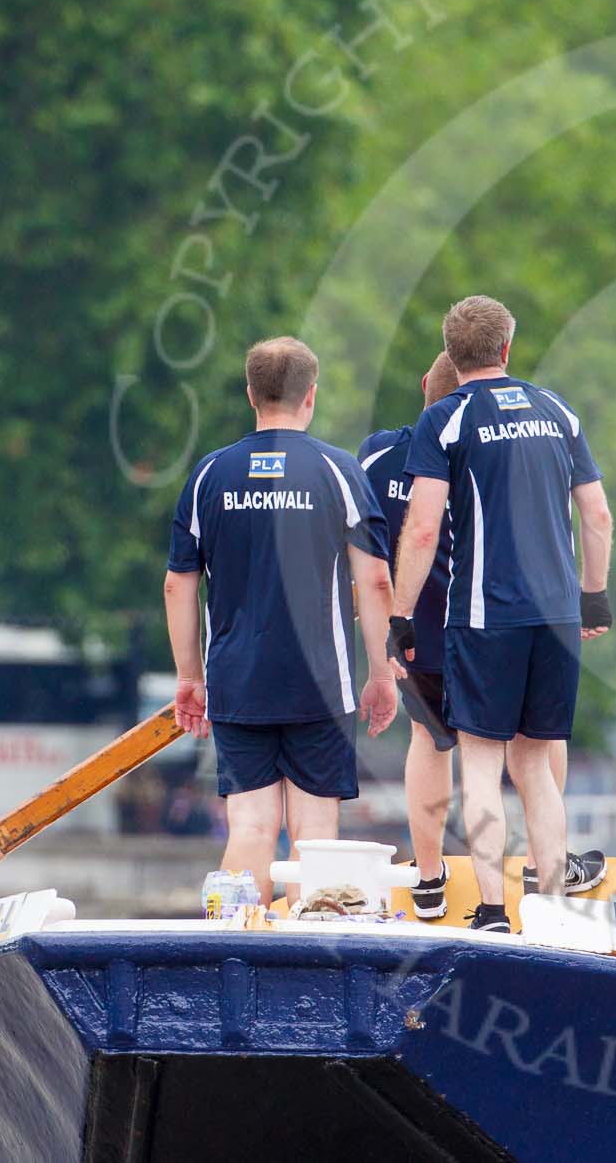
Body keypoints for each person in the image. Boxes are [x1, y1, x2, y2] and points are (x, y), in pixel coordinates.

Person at [387, 296, 613, 932]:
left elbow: (423, 529)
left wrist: (400, 617)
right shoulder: (558, 411)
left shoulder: (446, 420)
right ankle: (553, 908)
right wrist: (593, 594)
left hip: (486, 614)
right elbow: (596, 514)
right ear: (508, 348)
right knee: (536, 765)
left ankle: (491, 911)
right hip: (557, 615)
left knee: (483, 764)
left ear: (451, 357)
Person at [165, 336, 398, 908]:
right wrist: (380, 673)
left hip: (237, 680)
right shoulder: (338, 471)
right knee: (314, 835)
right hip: (321, 684)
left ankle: (232, 947)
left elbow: (179, 585)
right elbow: (374, 581)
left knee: (249, 825)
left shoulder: (209, 474)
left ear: (251, 394)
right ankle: (308, 954)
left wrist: (190, 677)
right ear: (310, 395)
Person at [360, 349, 463, 919]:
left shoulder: (377, 452)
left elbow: (359, 544)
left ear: (424, 383)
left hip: (412, 633)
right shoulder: (484, 456)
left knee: (428, 740)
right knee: (525, 746)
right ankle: (537, 871)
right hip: (480, 625)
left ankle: (428, 878)